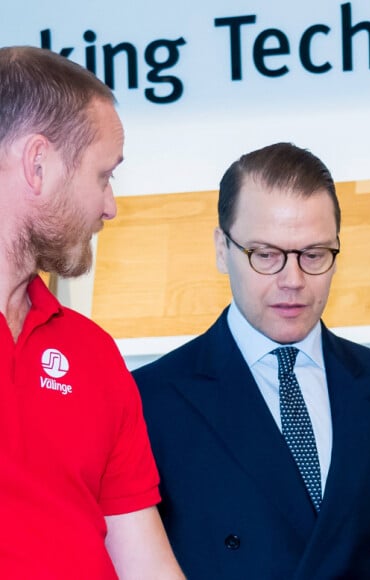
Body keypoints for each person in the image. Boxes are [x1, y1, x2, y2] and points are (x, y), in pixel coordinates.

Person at [133, 142, 370, 579]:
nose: (293, 281)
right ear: (221, 249)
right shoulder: (148, 401)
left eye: (314, 255)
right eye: (265, 255)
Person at [0, 46, 184, 578]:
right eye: (103, 176)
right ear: (39, 165)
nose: (111, 206)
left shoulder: (93, 353)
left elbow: (144, 559)